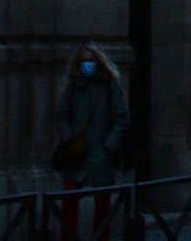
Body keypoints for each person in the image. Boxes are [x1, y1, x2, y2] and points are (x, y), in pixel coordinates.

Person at [55, 43, 131, 241]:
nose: (86, 65)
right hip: (76, 153)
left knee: (102, 205)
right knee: (69, 200)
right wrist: (68, 138)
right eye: (82, 61)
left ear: (98, 62)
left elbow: (121, 119)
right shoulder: (74, 86)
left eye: (90, 61)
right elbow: (62, 115)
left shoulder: (109, 86)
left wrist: (109, 146)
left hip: (101, 154)